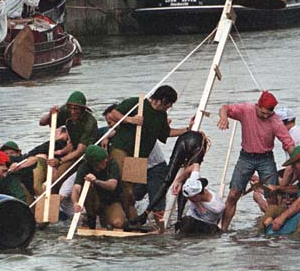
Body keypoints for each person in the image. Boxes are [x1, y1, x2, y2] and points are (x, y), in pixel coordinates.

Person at [108, 85, 189, 221]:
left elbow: (166, 133)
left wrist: (187, 129)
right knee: (123, 185)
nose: (169, 107)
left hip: (138, 157)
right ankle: (115, 214)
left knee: (130, 193)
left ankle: (131, 221)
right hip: (122, 149)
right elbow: (113, 114)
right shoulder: (138, 103)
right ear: (162, 100)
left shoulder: (161, 115)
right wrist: (131, 120)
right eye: (169, 104)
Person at [217, 91, 295, 230]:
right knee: (233, 194)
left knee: (272, 196)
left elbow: (288, 143)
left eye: (268, 114)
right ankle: (223, 229)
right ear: (257, 106)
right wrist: (224, 118)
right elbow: (225, 108)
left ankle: (273, 229)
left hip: (266, 158)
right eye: (263, 113)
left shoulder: (275, 121)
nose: (265, 116)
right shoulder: (246, 110)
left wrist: (297, 161)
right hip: (246, 157)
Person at [31, 91, 98, 201]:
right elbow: (42, 122)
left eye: (76, 109)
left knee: (59, 179)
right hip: (72, 150)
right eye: (70, 108)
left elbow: (81, 150)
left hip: (85, 154)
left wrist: (60, 161)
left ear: (82, 109)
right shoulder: (66, 111)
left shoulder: (90, 122)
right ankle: (51, 208)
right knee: (54, 181)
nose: (72, 112)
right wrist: (50, 114)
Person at [137, 129, 209, 226]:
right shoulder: (194, 176)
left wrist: (179, 180)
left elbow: (190, 170)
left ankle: (147, 212)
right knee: (173, 181)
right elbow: (192, 169)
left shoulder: (194, 173)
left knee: (168, 180)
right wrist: (179, 180)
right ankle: (177, 218)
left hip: (184, 140)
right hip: (190, 141)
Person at [72, 144, 125, 229]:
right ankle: (90, 218)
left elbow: (112, 185)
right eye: (102, 160)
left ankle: (106, 217)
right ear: (94, 163)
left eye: (105, 159)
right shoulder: (84, 167)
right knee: (87, 187)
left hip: (111, 200)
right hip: (95, 200)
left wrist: (96, 181)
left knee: (118, 223)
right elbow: (76, 188)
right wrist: (75, 203)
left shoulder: (112, 164)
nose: (105, 161)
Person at [175, 167, 225, 235]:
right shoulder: (193, 183)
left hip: (206, 225)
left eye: (191, 198)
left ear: (199, 195)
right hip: (190, 219)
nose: (189, 200)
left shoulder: (217, 207)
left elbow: (220, 218)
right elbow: (195, 165)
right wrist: (178, 181)